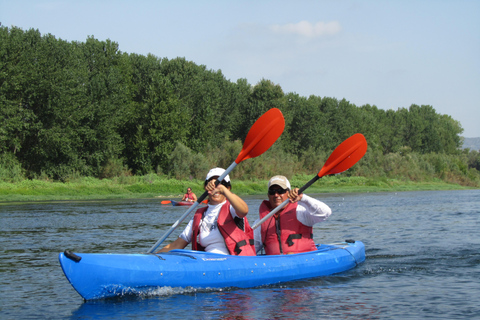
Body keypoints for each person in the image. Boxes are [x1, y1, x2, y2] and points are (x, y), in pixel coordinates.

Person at [156, 168, 256, 256]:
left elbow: (244, 210)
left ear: (228, 188)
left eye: (221, 184)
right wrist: (152, 257)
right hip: (208, 263)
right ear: (206, 187)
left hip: (235, 262)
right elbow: (178, 244)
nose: (216, 188)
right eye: (213, 184)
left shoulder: (232, 208)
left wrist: (222, 189)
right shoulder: (200, 216)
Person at [253, 175, 332, 255]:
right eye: (272, 192)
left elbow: (326, 213)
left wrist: (303, 198)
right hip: (275, 264)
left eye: (281, 191)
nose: (276, 195)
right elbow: (252, 248)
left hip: (305, 261)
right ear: (268, 195)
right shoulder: (260, 222)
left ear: (289, 192)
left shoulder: (300, 211)